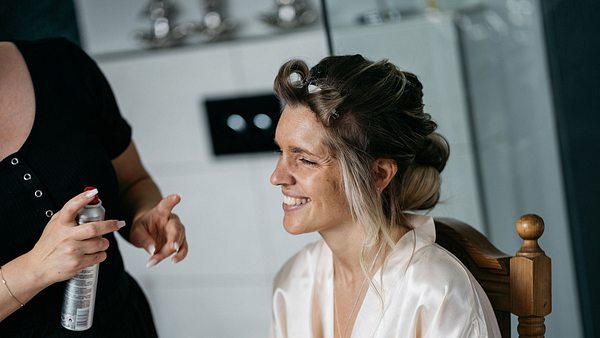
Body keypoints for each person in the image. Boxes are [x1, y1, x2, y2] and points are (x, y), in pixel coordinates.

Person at [268, 55, 501, 338]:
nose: (277, 176)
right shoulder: (294, 282)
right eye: (281, 152)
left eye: (305, 160)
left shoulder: (435, 292)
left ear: (378, 174)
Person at [0, 37, 188, 336]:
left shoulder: (61, 64)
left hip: (125, 322)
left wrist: (144, 216)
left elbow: (133, 182)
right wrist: (35, 268)